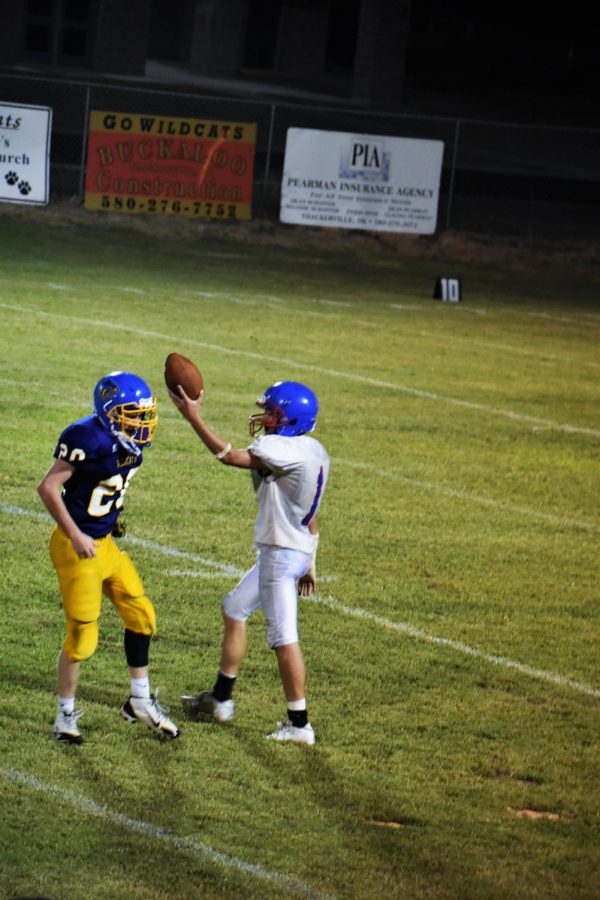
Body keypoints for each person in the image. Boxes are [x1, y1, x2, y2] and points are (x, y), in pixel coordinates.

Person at [170, 380, 329, 745]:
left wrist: (194, 417)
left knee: (284, 637)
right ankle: (221, 698)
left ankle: (299, 724)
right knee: (235, 608)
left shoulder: (279, 448)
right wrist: (311, 562)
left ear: (290, 419)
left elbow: (229, 456)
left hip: (280, 554)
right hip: (295, 549)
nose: (265, 418)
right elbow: (312, 514)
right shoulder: (314, 450)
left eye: (272, 412)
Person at [37, 371, 180, 744]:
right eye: (131, 414)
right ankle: (65, 716)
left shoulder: (128, 445)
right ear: (108, 412)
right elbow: (49, 487)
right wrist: (75, 533)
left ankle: (139, 702)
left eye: (143, 415)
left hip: (104, 545)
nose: (140, 423)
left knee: (141, 616)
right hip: (76, 548)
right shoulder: (86, 438)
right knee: (83, 637)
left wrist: (107, 525)